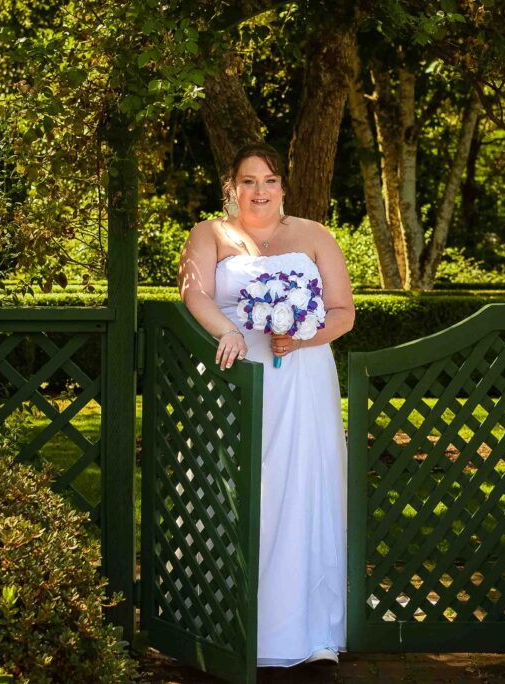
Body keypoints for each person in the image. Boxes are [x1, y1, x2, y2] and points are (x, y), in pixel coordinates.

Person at [177, 143, 354, 666]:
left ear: (284, 186)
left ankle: (310, 629)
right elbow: (196, 295)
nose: (260, 191)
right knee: (237, 486)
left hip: (302, 375)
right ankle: (226, 621)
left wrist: (300, 337)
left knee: (302, 486)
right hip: (236, 370)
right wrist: (228, 330)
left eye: (270, 180)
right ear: (231, 187)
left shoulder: (316, 236)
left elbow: (343, 313)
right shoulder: (210, 233)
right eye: (249, 181)